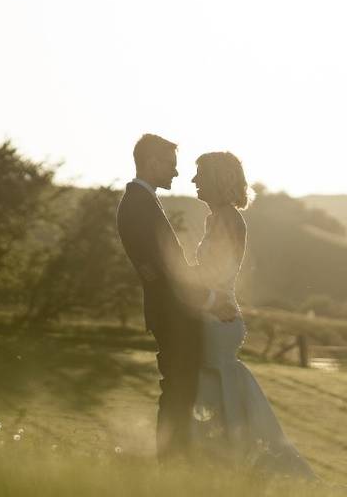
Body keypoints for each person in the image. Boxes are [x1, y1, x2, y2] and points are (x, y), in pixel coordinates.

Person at [188, 151, 316, 479]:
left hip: (219, 315)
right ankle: (218, 462)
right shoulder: (215, 217)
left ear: (217, 179)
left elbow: (216, 272)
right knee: (214, 388)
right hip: (212, 311)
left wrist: (181, 277)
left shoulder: (228, 218)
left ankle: (239, 462)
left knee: (215, 388)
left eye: (200, 174)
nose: (193, 181)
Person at [116, 133, 238, 463]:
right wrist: (211, 299)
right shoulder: (138, 206)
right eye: (171, 165)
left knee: (181, 390)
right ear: (153, 163)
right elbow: (165, 272)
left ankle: (180, 462)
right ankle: (172, 464)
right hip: (172, 315)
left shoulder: (143, 202)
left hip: (174, 312)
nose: (176, 173)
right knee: (178, 391)